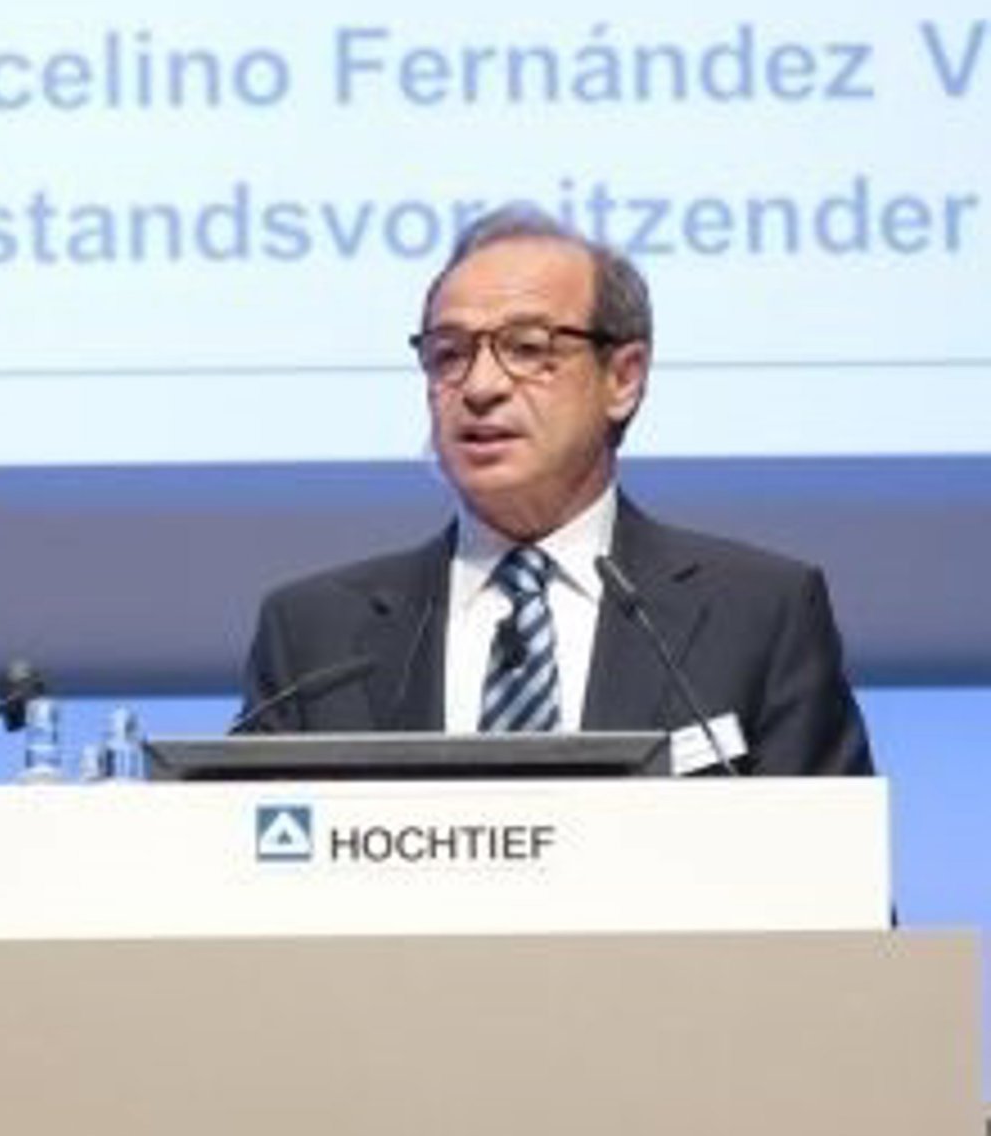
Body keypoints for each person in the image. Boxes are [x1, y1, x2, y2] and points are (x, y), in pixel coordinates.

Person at [240, 206, 873, 773]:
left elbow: (834, 861)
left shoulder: (759, 615)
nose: (480, 386)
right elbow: (245, 855)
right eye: (448, 354)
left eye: (527, 348)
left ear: (622, 379)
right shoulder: (314, 635)